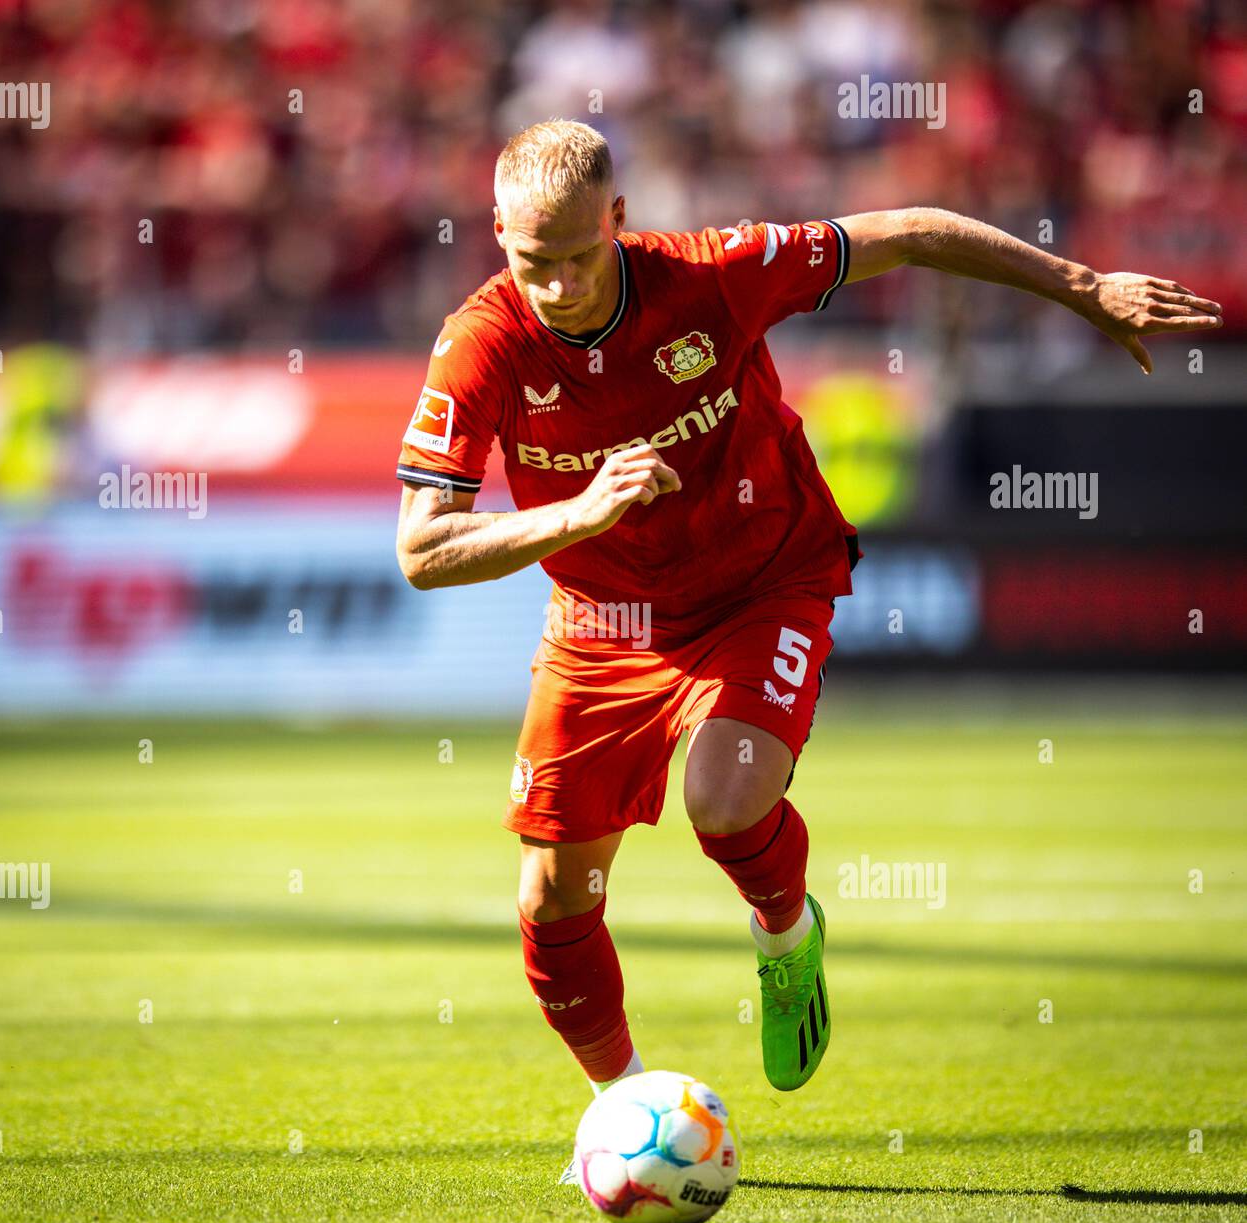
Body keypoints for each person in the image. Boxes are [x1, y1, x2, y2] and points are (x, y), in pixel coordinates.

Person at [394, 118, 1222, 1139]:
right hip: (601, 622)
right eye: (533, 262)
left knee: (726, 800)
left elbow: (911, 230)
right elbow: (421, 548)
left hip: (762, 579)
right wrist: (576, 514)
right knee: (554, 899)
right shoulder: (480, 345)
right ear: (495, 233)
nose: (558, 286)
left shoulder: (713, 276)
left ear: (618, 218)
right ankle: (623, 1117)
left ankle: (785, 933)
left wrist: (1083, 288)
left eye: (578, 256)